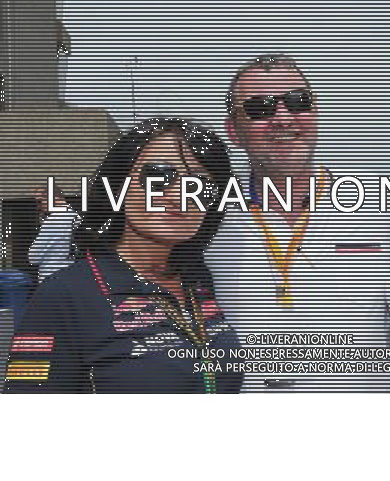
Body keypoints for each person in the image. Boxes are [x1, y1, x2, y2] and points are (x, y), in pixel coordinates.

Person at [204, 54, 390, 392]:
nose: (282, 118)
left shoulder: (383, 210)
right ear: (234, 131)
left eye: (298, 102)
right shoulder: (203, 219)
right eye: (260, 108)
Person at [5, 118, 242, 393]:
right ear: (117, 186)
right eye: (159, 176)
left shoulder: (198, 280)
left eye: (201, 185)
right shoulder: (61, 295)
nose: (179, 196)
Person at [29, 185, 80, 281]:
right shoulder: (76, 217)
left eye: (40, 201)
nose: (38, 206)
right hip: (73, 274)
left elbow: (34, 257)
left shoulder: (54, 219)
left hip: (52, 276)